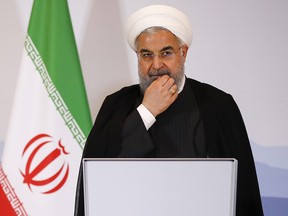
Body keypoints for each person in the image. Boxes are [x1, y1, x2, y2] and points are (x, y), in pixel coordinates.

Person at [74, 5, 263, 216]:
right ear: (138, 57)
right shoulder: (116, 105)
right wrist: (146, 111)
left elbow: (242, 189)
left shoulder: (218, 105)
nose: (156, 65)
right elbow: (101, 180)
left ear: (183, 53)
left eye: (166, 53)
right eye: (146, 55)